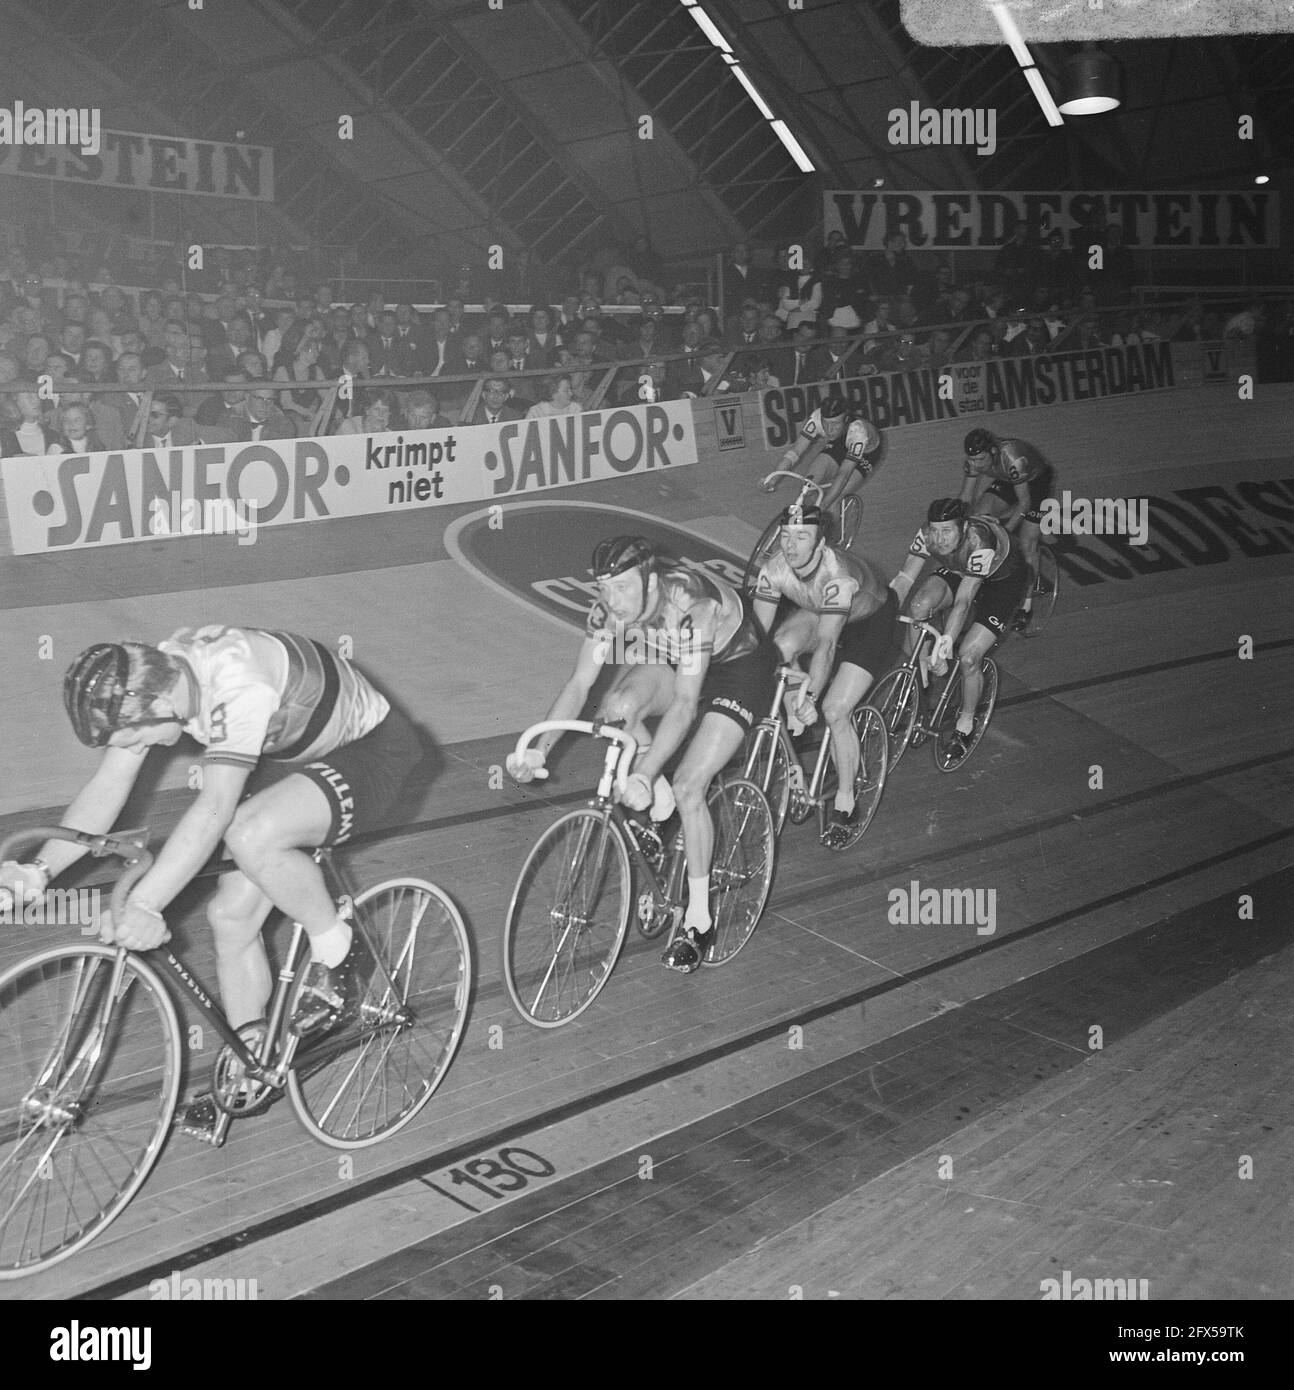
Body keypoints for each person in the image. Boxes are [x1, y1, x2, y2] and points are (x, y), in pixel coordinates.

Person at [0, 627, 423, 1140]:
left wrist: (149, 904)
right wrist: (38, 870)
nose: (133, 748)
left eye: (132, 738)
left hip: (372, 750)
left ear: (157, 702)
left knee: (249, 833)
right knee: (230, 916)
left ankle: (337, 948)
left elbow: (215, 808)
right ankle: (254, 1067)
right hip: (290, 749)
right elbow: (108, 786)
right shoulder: (155, 676)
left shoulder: (238, 686)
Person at [506, 536, 778, 974]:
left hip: (738, 669)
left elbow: (686, 705)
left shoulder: (692, 602)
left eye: (623, 588)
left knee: (692, 786)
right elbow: (580, 685)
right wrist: (540, 751)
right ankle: (661, 802)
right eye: (605, 588)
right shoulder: (609, 608)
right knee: (616, 709)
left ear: (651, 579)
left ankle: (698, 919)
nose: (613, 602)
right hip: (678, 659)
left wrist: (645, 772)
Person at [750, 503, 898, 847]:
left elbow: (828, 645)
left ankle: (846, 799)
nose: (790, 545)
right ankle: (795, 718)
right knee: (779, 647)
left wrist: (812, 695)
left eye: (802, 537)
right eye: (786, 536)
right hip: (818, 610)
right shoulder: (774, 569)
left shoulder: (837, 574)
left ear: (820, 544)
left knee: (835, 711)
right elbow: (757, 635)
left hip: (867, 623)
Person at [890, 498, 1028, 761]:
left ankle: (965, 724)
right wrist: (885, 612)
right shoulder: (928, 534)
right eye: (935, 530)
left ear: (963, 528)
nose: (939, 539)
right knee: (919, 608)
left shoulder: (980, 541)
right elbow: (905, 578)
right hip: (961, 569)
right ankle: (921, 681)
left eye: (947, 531)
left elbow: (963, 601)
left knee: (967, 657)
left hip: (1001, 583)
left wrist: (945, 643)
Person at [957, 427, 1055, 630]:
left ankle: (1026, 606)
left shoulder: (1012, 458)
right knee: (979, 514)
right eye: (972, 459)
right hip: (1008, 480)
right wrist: (958, 524)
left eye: (980, 459)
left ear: (993, 452)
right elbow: (966, 497)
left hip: (1035, 483)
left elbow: (1024, 503)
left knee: (1027, 544)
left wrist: (1005, 533)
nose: (976, 465)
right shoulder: (974, 460)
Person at [763, 395, 882, 515]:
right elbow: (795, 452)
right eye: (825, 423)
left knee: (831, 503)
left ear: (846, 420)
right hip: (839, 442)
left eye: (835, 424)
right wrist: (773, 479)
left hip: (866, 454)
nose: (829, 429)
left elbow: (844, 474)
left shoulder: (858, 431)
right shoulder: (816, 418)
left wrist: (823, 507)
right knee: (807, 490)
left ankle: (831, 531)